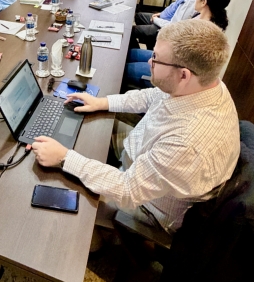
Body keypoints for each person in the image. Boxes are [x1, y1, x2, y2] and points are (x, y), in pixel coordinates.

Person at [32, 19, 240, 235]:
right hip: (142, 159)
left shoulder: (188, 143)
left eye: (156, 58)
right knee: (84, 133)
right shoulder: (203, 84)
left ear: (183, 75)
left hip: (148, 207)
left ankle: (95, 241)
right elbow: (151, 96)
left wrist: (65, 158)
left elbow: (127, 190)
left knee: (61, 193)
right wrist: (102, 102)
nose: (150, 61)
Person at [124, 0, 232, 89]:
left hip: (173, 70)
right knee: (128, 54)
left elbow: (180, 60)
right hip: (169, 59)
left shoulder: (204, 33)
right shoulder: (199, 16)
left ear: (204, 2)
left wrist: (158, 58)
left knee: (123, 68)